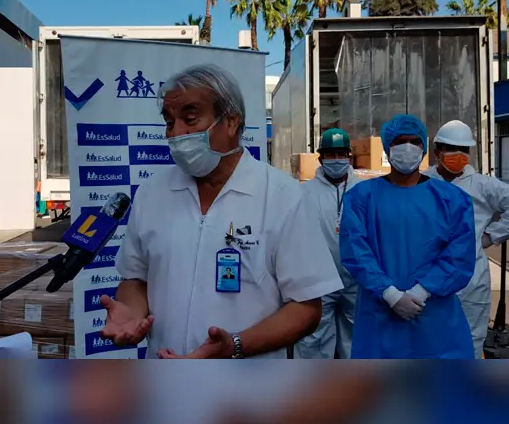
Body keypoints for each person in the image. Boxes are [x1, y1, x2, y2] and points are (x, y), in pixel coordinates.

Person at [102, 64, 343, 359]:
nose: (176, 133)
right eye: (169, 121)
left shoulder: (282, 195)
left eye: (190, 119)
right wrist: (130, 312)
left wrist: (235, 346)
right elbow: (135, 279)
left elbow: (307, 308)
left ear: (231, 122)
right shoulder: (153, 193)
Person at [340, 114, 477, 359]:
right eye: (400, 141)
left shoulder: (452, 199)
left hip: (433, 314)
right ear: (387, 147)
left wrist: (421, 292)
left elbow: (459, 254)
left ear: (424, 148)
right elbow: (355, 251)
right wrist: (389, 294)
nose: (408, 147)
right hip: (380, 313)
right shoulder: (361, 198)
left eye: (415, 141)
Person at [423, 120, 509, 356]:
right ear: (437, 152)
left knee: (471, 339)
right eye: (452, 148)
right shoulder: (423, 182)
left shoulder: (482, 185)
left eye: (464, 150)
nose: (459, 155)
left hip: (471, 277)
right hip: (429, 274)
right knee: (430, 339)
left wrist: (492, 236)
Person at [295, 128, 360, 360]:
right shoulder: (304, 193)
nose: (336, 160)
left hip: (357, 281)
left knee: (356, 341)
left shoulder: (363, 191)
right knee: (314, 340)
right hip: (319, 281)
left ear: (349, 156)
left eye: (340, 154)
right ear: (320, 158)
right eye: (330, 154)